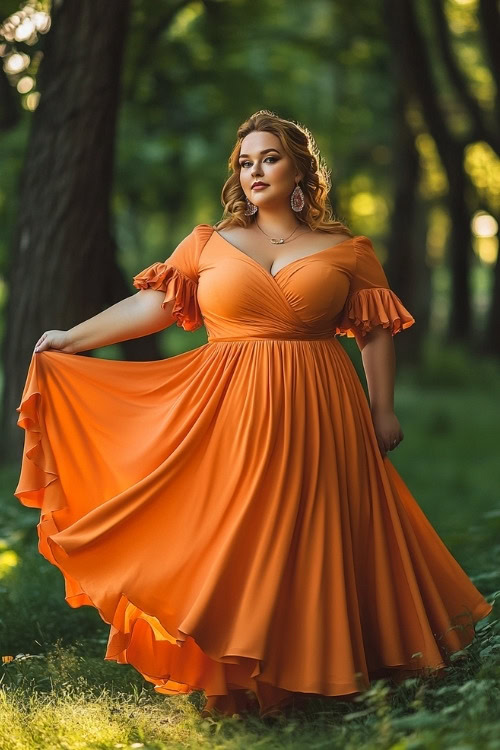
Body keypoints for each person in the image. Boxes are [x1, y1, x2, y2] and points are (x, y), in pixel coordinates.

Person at [14, 110, 492, 721]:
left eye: (268, 158)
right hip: (227, 406)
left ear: (298, 168)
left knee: (319, 532)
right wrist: (72, 338)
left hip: (324, 406)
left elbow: (374, 334)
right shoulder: (207, 244)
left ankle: (330, 673)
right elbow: (154, 305)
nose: (254, 171)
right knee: (239, 534)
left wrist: (384, 409)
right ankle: (238, 675)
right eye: (245, 161)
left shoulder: (347, 250)